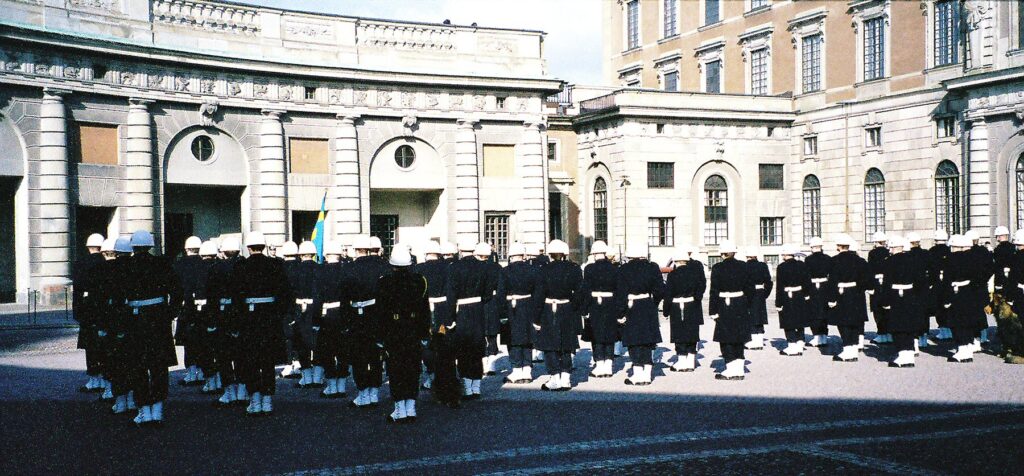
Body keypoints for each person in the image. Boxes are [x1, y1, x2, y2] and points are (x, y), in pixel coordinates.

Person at [124, 230, 183, 426]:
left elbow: (117, 297)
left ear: (133, 246)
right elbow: (177, 291)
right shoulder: (162, 264)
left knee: (137, 366)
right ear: (150, 245)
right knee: (158, 366)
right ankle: (157, 409)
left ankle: (143, 410)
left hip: (134, 320)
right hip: (158, 319)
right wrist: (169, 313)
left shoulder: (126, 266)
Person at [232, 231, 293, 415]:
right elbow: (285, 293)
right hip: (269, 318)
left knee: (251, 360)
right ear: (264, 246)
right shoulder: (275, 265)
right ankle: (267, 400)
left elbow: (236, 297)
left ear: (249, 248)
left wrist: (235, 323)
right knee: (267, 361)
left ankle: (255, 400)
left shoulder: (241, 267)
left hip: (249, 319)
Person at [377, 246, 431, 422]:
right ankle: (411, 407)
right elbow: (425, 311)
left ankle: (399, 409)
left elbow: (381, 312)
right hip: (414, 328)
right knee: (413, 368)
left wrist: (380, 337)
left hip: (394, 329)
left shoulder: (384, 282)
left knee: (396, 369)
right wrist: (424, 333)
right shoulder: (420, 280)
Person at [444, 240, 498, 400]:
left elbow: (451, 295)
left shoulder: (454, 267)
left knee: (464, 348)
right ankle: (476, 387)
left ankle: (467, 387)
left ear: (460, 251)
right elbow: (488, 293)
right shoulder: (484, 267)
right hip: (478, 309)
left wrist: (450, 318)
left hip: (462, 310)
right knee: (477, 347)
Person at [347, 236, 392, 408]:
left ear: (356, 250)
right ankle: (374, 392)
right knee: (375, 355)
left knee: (359, 356)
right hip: (377, 315)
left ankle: (363, 393)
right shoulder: (383, 266)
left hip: (357, 317)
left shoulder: (350, 267)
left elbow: (344, 296)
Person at [534, 240, 583, 391]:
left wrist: (536, 317)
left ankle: (555, 377)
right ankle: (566, 377)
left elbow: (539, 295)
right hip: (567, 307)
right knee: (566, 344)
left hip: (549, 308)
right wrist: (573, 305)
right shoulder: (574, 268)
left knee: (550, 345)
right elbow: (581, 291)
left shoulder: (544, 270)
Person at [615, 243, 665, 386]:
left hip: (632, 306)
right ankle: (647, 374)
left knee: (634, 341)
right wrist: (653, 302)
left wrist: (620, 313)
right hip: (647, 305)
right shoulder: (653, 267)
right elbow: (660, 290)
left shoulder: (624, 269)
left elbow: (621, 294)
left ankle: (637, 374)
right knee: (648, 341)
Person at [207, 236, 246, 405]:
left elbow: (211, 296)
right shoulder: (245, 266)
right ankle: (243, 390)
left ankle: (229, 391)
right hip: (241, 313)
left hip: (222, 314)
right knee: (241, 355)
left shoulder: (216, 268)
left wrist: (211, 321)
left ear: (222, 251)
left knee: (223, 356)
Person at [879, 237, 928, 368]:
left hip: (895, 295)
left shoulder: (889, 262)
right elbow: (920, 281)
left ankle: (903, 354)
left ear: (895, 248)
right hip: (911, 295)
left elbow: (887, 283)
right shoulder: (914, 260)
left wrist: (885, 300)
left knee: (898, 326)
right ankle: (909, 354)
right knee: (909, 325)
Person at [708, 240, 754, 380]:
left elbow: (714, 291)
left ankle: (731, 369)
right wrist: (747, 304)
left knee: (726, 338)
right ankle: (739, 369)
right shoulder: (744, 266)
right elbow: (750, 289)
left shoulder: (717, 268)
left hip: (724, 305)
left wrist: (713, 310)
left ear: (722, 253)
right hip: (740, 303)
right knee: (739, 337)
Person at [100, 237, 136, 414]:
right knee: (132, 362)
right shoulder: (136, 267)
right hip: (133, 321)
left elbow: (102, 300)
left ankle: (120, 401)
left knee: (115, 362)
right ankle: (131, 398)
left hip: (113, 320)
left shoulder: (107, 270)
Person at [943, 234, 991, 363]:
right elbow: (982, 276)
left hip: (957, 292)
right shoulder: (974, 258)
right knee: (969, 321)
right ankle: (968, 347)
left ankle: (963, 349)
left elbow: (946, 281)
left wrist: (946, 299)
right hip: (970, 292)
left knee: (958, 322)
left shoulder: (950, 259)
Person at [501, 243, 543, 384]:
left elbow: (500, 293)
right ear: (523, 256)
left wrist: (502, 314)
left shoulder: (505, 271)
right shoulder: (533, 270)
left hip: (511, 306)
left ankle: (517, 369)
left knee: (513, 339)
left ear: (511, 256)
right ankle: (527, 369)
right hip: (528, 305)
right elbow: (538, 293)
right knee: (528, 338)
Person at [825, 234, 871, 362]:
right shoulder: (860, 261)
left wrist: (831, 298)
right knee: (855, 323)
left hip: (842, 294)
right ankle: (853, 349)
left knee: (843, 323)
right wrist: (859, 287)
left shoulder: (834, 261)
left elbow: (832, 281)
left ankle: (847, 349)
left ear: (838, 246)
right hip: (856, 294)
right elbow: (867, 279)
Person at [313, 240, 349, 398]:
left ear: (326, 255)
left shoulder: (320, 271)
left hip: (327, 314)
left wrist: (315, 320)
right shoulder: (346, 269)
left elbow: (317, 298)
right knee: (342, 351)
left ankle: (332, 386)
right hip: (343, 313)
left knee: (327, 350)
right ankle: (341, 385)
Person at [73, 232, 108, 395]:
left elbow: (77, 290)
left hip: (87, 306)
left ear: (88, 247)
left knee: (90, 346)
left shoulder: (81, 263)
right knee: (104, 344)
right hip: (103, 306)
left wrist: (77, 311)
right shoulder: (106, 262)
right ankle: (104, 378)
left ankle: (94, 379)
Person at [579, 241, 619, 378]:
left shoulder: (589, 269)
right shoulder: (614, 268)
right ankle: (608, 364)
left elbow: (585, 290)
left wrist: (584, 309)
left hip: (595, 303)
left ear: (594, 254)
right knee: (609, 334)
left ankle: (599, 363)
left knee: (596, 335)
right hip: (610, 303)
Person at [173, 236, 208, 386]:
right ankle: (201, 371)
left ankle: (191, 372)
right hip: (202, 306)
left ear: (186, 249)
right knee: (201, 339)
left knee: (188, 340)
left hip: (185, 306)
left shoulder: (179, 264)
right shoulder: (205, 264)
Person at [664, 246, 705, 372]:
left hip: (677, 306)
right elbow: (700, 288)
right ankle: (691, 361)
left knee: (679, 334)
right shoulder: (694, 273)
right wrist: (696, 299)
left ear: (676, 261)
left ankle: (682, 361)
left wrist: (666, 310)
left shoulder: (672, 275)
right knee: (692, 333)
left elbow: (668, 294)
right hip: (692, 305)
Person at [292, 241, 322, 388]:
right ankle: (317, 376)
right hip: (317, 307)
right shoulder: (320, 268)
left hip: (299, 307)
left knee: (301, 343)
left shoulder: (296, 269)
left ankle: (306, 377)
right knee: (318, 342)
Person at [775, 245, 813, 356]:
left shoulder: (781, 267)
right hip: (800, 294)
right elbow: (807, 281)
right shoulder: (801, 265)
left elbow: (779, 286)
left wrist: (778, 302)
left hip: (787, 295)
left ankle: (792, 345)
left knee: (788, 321)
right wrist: (806, 294)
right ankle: (800, 342)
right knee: (800, 319)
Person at [966, 229, 995, 348]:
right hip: (982, 285)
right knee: (981, 311)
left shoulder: (967, 253)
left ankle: (976, 339)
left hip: (970, 286)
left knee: (973, 312)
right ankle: (983, 336)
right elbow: (991, 267)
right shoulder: (984, 251)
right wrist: (984, 279)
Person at [278, 241, 302, 379]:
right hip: (300, 305)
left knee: (288, 337)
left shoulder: (280, 268)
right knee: (298, 335)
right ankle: (298, 362)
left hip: (285, 307)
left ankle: (289, 363)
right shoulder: (300, 267)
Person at [905, 233, 933, 352]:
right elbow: (933, 270)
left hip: (912, 287)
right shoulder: (926, 253)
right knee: (924, 313)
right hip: (924, 286)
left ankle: (915, 340)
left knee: (912, 314)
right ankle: (924, 338)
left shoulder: (907, 255)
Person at [805, 237, 833, 347]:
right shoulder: (827, 258)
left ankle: (816, 336)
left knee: (814, 312)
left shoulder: (808, 260)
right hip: (825, 286)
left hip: (812, 287)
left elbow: (806, 276)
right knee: (824, 311)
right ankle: (824, 336)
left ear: (812, 247)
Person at [744, 248, 772, 351]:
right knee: (760, 316)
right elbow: (769, 282)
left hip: (748, 293)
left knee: (751, 316)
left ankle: (752, 340)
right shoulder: (763, 265)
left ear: (747, 257)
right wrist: (765, 294)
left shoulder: (745, 266)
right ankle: (759, 340)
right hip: (760, 292)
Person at [867, 232, 892, 345]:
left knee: (877, 309)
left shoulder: (872, 253)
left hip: (876, 282)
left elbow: (870, 270)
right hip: (888, 282)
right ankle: (889, 333)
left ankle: (882, 334)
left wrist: (870, 286)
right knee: (888, 308)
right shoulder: (889, 252)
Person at [929, 230, 953, 341]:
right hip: (949, 281)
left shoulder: (932, 251)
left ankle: (943, 331)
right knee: (948, 305)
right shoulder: (949, 250)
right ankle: (949, 330)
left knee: (939, 307)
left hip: (936, 282)